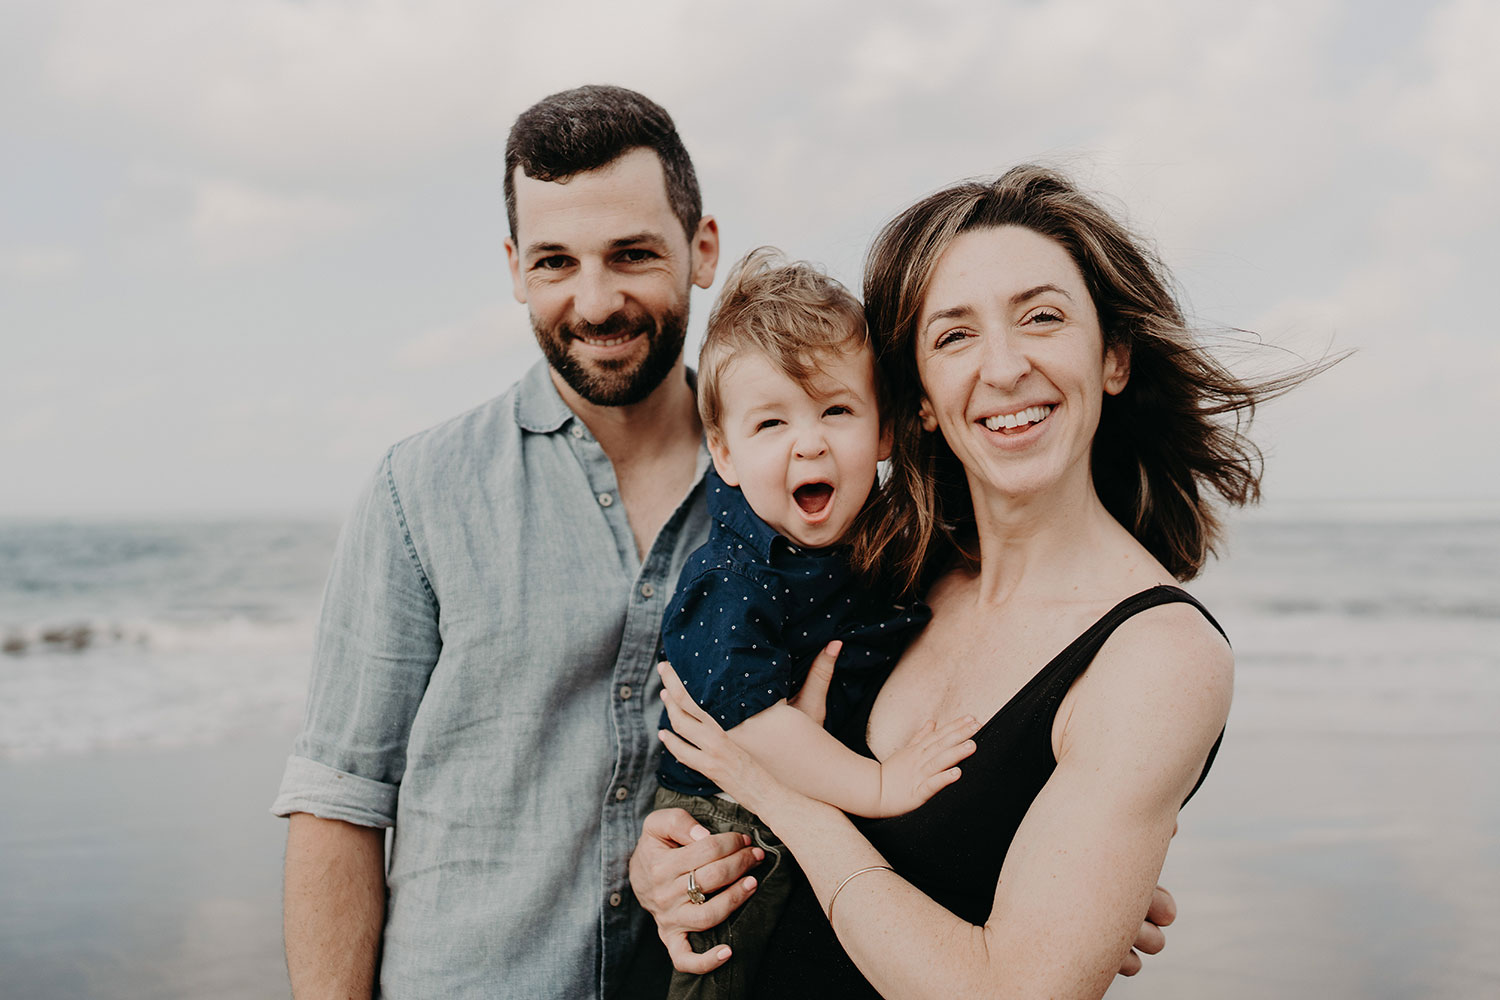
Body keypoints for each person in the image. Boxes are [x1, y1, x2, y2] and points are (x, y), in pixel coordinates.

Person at [273, 81, 1175, 999]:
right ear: (513, 268)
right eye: (554, 262)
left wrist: (1066, 877)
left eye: (632, 253)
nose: (595, 300)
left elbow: (956, 701)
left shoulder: (818, 497)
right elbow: (339, 799)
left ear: (701, 249)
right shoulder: (418, 491)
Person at [642, 164, 1307, 997]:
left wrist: (786, 803)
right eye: (955, 335)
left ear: (1114, 357)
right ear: (917, 399)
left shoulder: (1157, 659)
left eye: (1042, 317)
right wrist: (677, 865)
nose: (1003, 367)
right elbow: (733, 775)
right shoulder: (888, 574)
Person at [654, 249, 978, 1000]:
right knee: (724, 968)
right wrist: (880, 784)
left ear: (886, 430)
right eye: (772, 422)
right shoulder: (732, 578)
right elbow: (755, 729)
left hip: (826, 796)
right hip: (725, 819)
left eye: (836, 410)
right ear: (725, 454)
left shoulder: (884, 535)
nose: (810, 442)